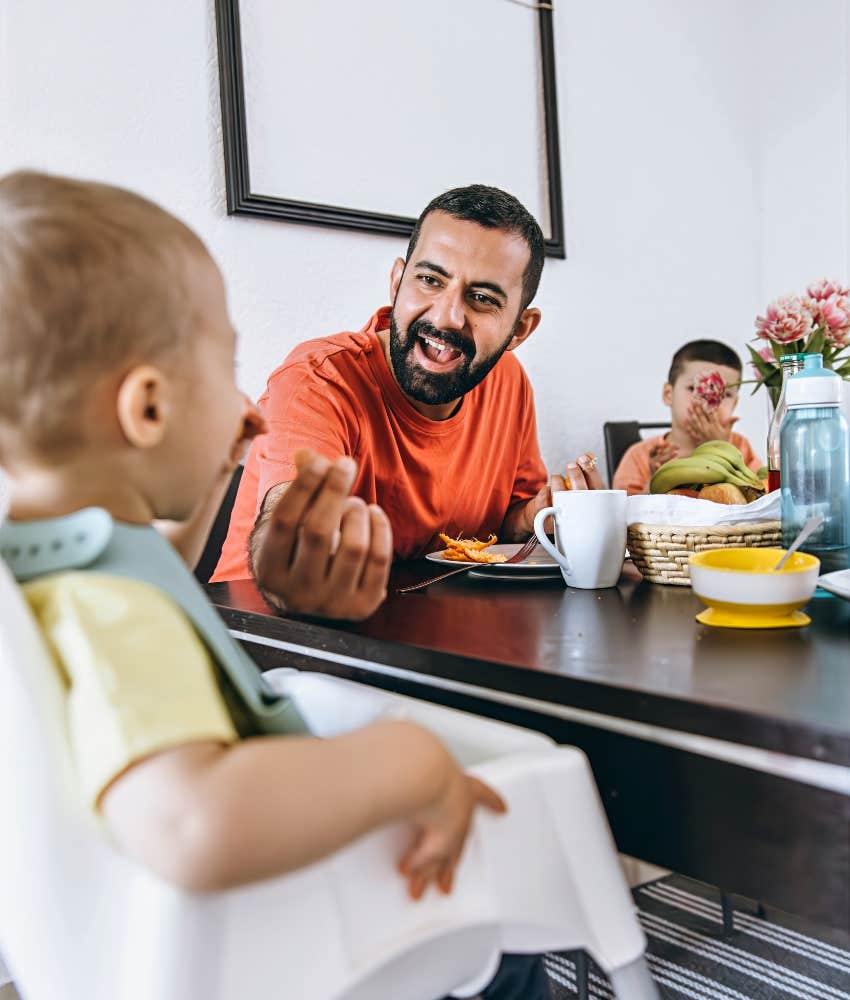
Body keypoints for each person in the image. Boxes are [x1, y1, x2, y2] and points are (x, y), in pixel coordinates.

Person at [0, 171, 551, 999]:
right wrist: (408, 761)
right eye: (224, 368)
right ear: (147, 411)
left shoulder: (68, 565)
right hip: (253, 937)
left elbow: (160, 587)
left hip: (213, 907)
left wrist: (192, 515)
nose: (250, 404)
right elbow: (191, 822)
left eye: (479, 297)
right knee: (500, 942)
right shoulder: (110, 613)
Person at [212, 185, 602, 618]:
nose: (446, 316)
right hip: (277, 641)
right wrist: (298, 546)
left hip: (437, 633)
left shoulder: (508, 382)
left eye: (483, 298)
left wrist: (534, 517)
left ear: (520, 330)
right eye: (430, 280)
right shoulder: (317, 381)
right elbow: (287, 529)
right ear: (397, 282)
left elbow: (505, 524)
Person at [612, 339, 763, 496]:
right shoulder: (640, 457)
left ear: (735, 404)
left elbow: (759, 497)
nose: (708, 400)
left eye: (725, 394)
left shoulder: (740, 448)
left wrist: (719, 450)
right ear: (668, 394)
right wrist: (654, 483)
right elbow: (625, 514)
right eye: (693, 388)